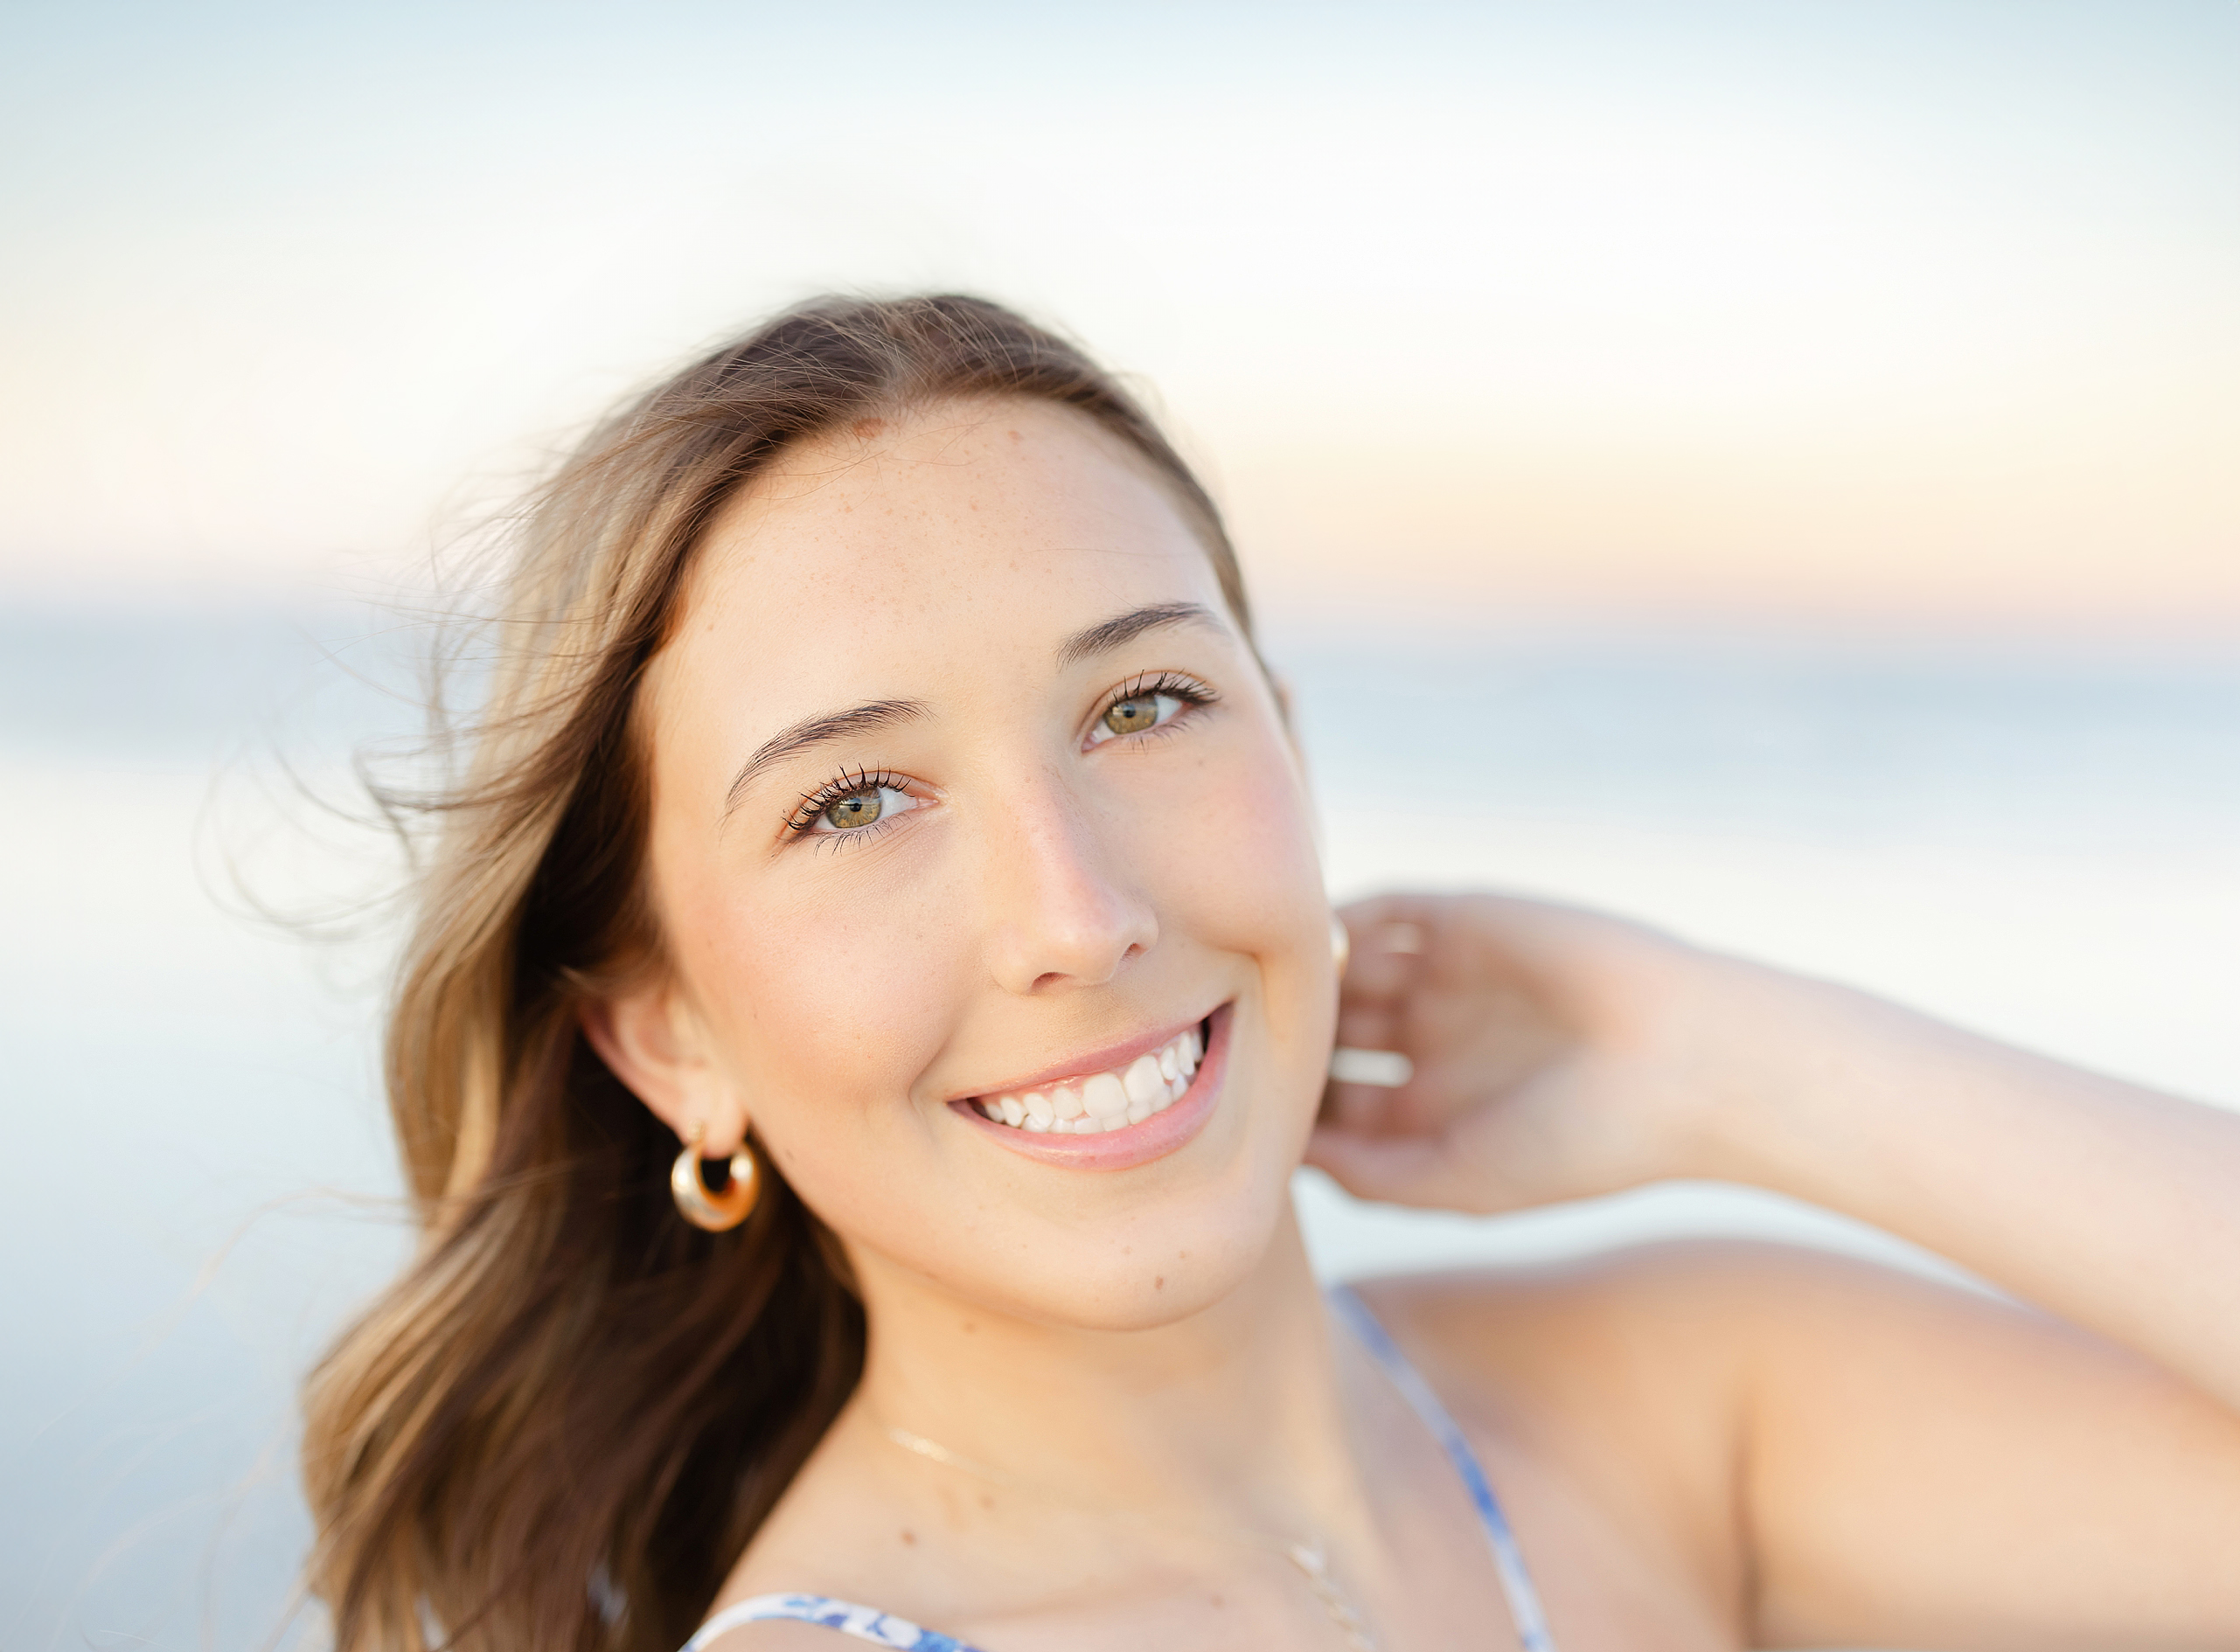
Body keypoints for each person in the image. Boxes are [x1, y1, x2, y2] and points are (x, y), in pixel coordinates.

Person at [300, 295, 2240, 1652]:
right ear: (666, 1035)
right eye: (855, 803)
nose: (1076, 914)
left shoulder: (1655, 1407)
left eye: (1144, 703)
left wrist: (1721, 1062)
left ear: (1290, 745)